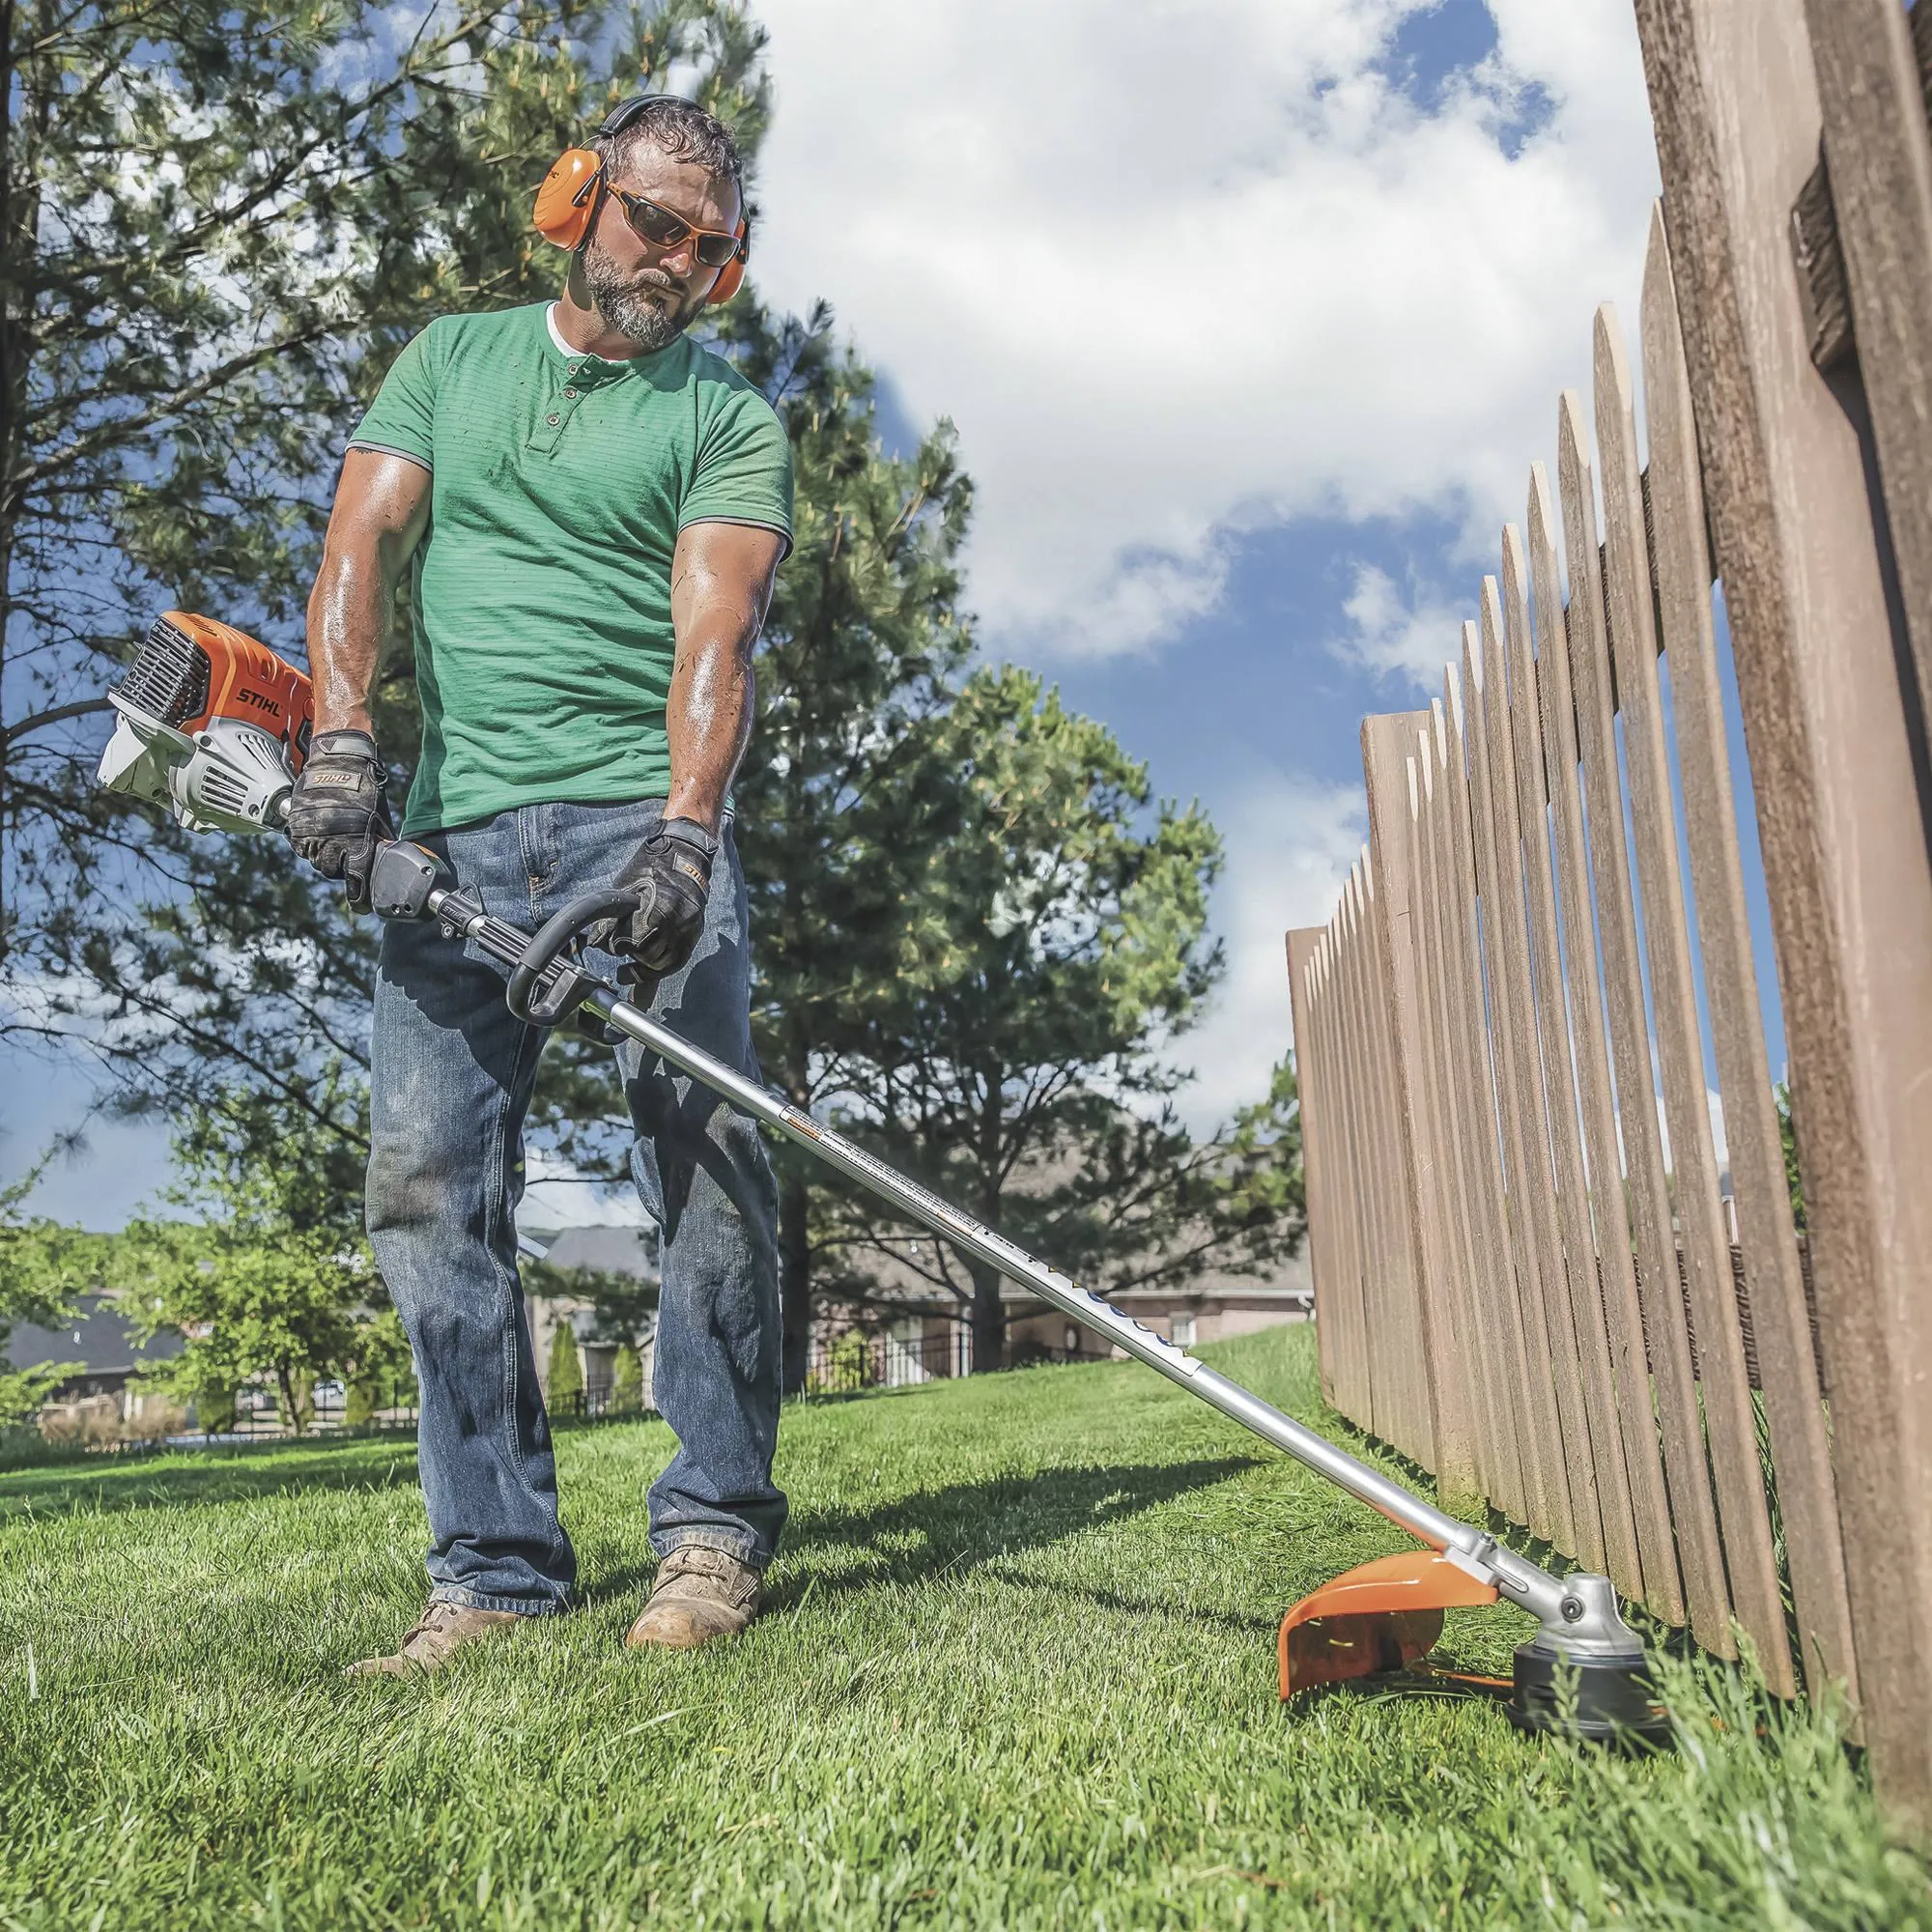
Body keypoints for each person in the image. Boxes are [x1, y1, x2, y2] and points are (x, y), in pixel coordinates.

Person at [286, 94, 792, 1675]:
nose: (677, 262)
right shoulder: (450, 359)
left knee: (709, 1161)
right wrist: (346, 747)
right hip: (448, 830)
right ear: (578, 201)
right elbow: (359, 547)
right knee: (431, 1189)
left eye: (711, 245)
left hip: (640, 826)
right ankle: (493, 1571)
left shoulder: (726, 418)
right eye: (653, 222)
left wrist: (685, 835)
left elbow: (720, 637)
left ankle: (710, 1530)